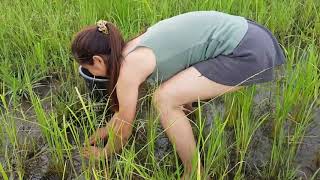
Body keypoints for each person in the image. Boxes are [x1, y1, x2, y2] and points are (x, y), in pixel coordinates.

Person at [71, 10, 285, 179]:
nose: (90, 73)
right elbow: (123, 113)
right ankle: (189, 122)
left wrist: (105, 153)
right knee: (173, 91)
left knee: (164, 99)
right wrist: (106, 129)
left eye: (88, 69)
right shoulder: (132, 47)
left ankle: (194, 173)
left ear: (98, 60)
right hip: (250, 32)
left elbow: (125, 129)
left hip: (247, 50)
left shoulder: (129, 68)